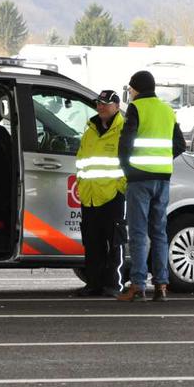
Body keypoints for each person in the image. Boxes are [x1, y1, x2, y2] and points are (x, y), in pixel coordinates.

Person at [116, 70, 186, 302]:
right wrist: (163, 160)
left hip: (140, 179)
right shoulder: (167, 110)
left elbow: (126, 142)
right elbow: (180, 144)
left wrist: (128, 169)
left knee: (138, 232)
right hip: (162, 178)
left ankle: (137, 285)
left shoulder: (137, 108)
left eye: (131, 88)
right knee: (159, 232)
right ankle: (161, 285)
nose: (131, 93)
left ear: (136, 88)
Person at [74, 90, 127, 297]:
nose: (101, 107)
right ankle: (94, 284)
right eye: (99, 103)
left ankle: (116, 285)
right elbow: (81, 160)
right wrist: (81, 185)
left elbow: (129, 162)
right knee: (92, 243)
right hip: (90, 196)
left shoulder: (123, 129)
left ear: (116, 105)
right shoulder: (90, 130)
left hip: (113, 195)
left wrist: (120, 187)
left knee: (115, 243)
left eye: (106, 103)